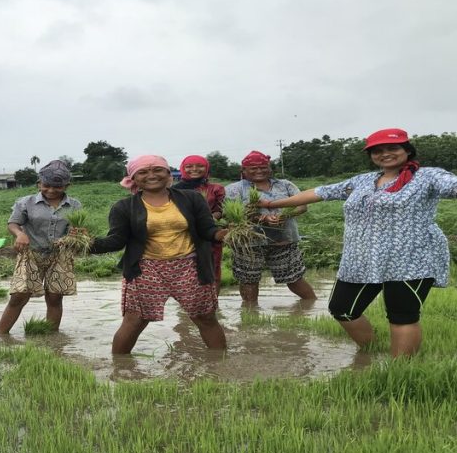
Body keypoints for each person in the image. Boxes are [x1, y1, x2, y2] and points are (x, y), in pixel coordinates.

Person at [259, 128, 457, 357]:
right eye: (377, 150)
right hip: (361, 259)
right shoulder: (363, 180)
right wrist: (273, 203)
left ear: (407, 150)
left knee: (402, 315)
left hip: (410, 259)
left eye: (393, 147)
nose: (385, 153)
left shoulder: (428, 176)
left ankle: (402, 371)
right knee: (342, 309)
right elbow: (318, 192)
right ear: (371, 156)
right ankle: (372, 351)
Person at [89, 155, 229, 355]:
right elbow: (116, 241)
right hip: (147, 268)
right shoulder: (124, 207)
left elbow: (207, 229)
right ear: (133, 178)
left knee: (205, 317)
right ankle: (119, 369)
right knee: (135, 320)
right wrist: (85, 244)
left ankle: (221, 365)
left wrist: (220, 234)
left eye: (157, 170)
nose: (151, 175)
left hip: (189, 266)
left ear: (168, 173)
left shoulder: (191, 198)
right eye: (143, 172)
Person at [0, 160, 82, 335]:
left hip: (60, 256)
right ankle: (2, 336)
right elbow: (13, 223)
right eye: (46, 185)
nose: (51, 190)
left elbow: (75, 228)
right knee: (19, 296)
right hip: (32, 254)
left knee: (55, 297)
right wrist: (19, 234)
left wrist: (76, 235)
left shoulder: (74, 205)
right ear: (39, 184)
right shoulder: (26, 202)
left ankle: (51, 337)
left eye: (57, 187)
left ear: (67, 186)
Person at [224, 151, 317, 303]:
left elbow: (302, 206)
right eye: (253, 168)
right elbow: (232, 214)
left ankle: (312, 304)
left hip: (284, 240)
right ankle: (250, 312)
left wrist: (284, 216)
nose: (259, 171)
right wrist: (262, 218)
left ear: (270, 168)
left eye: (263, 167)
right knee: (248, 279)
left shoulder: (285, 185)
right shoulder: (234, 189)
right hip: (249, 243)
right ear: (243, 171)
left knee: (294, 278)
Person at [173, 154, 226, 284]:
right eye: (189, 166)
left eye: (200, 166)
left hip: (210, 236)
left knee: (212, 270)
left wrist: (206, 219)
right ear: (182, 168)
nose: (194, 169)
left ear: (207, 168)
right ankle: (187, 304)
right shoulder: (174, 190)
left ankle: (213, 303)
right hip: (182, 236)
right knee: (183, 273)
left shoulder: (216, 189)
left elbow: (221, 210)